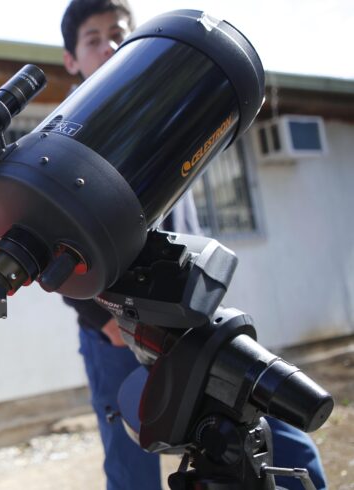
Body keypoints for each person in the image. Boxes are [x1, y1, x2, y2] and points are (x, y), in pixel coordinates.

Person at [59, 1, 328, 489]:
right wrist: (109, 324)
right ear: (71, 61)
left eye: (118, 33)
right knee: (131, 461)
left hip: (192, 318)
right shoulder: (67, 137)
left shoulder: (165, 120)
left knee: (273, 436)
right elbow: (58, 253)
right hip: (114, 332)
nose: (109, 44)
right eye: (93, 38)